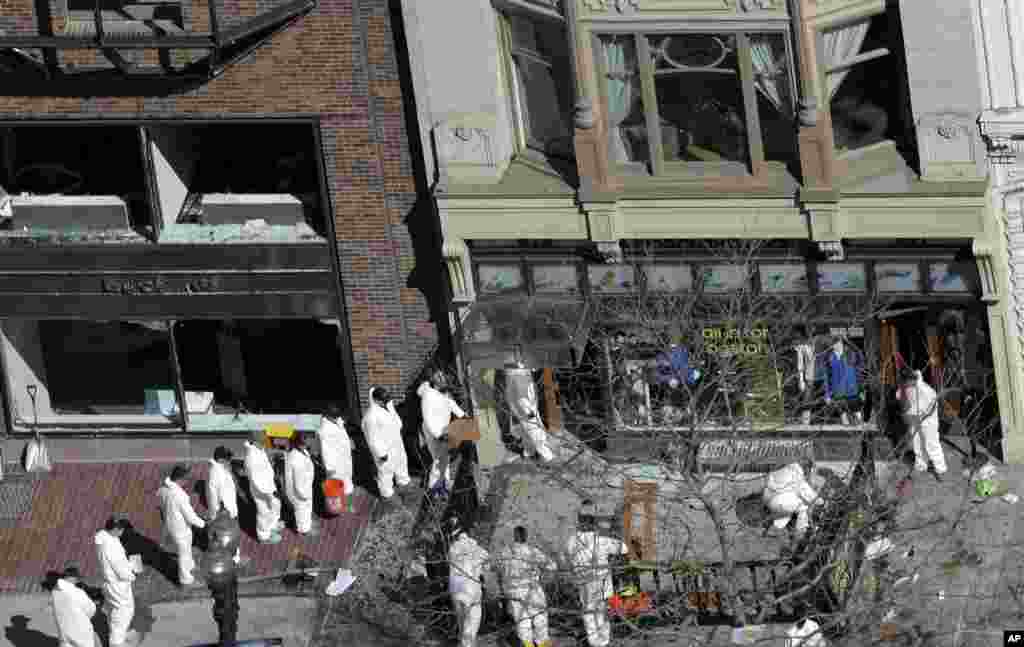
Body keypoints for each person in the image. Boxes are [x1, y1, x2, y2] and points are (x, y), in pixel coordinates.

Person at [565, 503, 628, 647]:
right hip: (602, 584)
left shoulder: (571, 541)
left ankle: (594, 642)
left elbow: (568, 556)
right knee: (602, 613)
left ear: (580, 523)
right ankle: (603, 642)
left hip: (584, 584)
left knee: (589, 613)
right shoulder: (601, 541)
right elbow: (624, 549)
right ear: (593, 524)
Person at [498, 526, 556, 647]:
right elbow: (552, 566)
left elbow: (498, 570)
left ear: (514, 536)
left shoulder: (505, 552)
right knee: (540, 618)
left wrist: (504, 588)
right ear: (525, 536)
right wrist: (542, 574)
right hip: (532, 589)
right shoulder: (532, 551)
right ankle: (542, 644)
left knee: (522, 622)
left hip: (514, 592)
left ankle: (528, 645)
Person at [157, 465, 207, 587]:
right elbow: (191, 517)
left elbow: (162, 508)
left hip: (171, 524)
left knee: (186, 548)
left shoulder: (163, 489)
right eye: (187, 479)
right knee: (184, 553)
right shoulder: (180, 495)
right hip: (180, 528)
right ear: (181, 479)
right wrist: (204, 524)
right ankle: (186, 580)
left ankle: (190, 567)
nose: (187, 482)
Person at [94, 518, 139, 646]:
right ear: (116, 529)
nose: (123, 532)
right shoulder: (111, 545)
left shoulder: (104, 539)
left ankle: (118, 634)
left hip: (110, 582)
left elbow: (116, 564)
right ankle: (116, 642)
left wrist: (128, 564)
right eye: (122, 529)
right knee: (123, 613)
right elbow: (120, 569)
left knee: (114, 609)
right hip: (118, 584)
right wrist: (133, 574)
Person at [447, 517, 491, 647]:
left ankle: (462, 643)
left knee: (462, 624)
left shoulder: (452, 549)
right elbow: (488, 565)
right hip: (471, 591)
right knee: (471, 626)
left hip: (455, 589)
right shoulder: (477, 549)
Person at [897, 367, 947, 481]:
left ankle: (940, 467)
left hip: (928, 422)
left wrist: (921, 416)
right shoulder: (906, 388)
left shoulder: (926, 390)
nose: (906, 384)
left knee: (932, 443)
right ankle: (921, 464)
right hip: (914, 420)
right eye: (904, 382)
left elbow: (931, 407)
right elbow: (900, 396)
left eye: (907, 382)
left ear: (912, 379)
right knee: (917, 443)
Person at [418, 378, 467, 493]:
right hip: (433, 433)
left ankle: (444, 482)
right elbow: (428, 418)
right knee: (439, 459)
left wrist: (466, 418)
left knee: (444, 457)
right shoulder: (428, 396)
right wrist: (438, 435)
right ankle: (434, 487)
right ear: (435, 384)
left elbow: (453, 407)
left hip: (443, 431)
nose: (443, 380)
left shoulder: (443, 396)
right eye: (440, 379)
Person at [362, 387, 410, 500]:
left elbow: (398, 424)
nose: (387, 402)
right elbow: (372, 438)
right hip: (385, 450)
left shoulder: (388, 408)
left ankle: (403, 484)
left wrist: (392, 409)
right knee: (385, 472)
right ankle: (387, 495)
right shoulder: (370, 416)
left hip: (396, 445)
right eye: (385, 400)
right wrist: (381, 453)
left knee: (401, 464)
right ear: (376, 400)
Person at [205, 446, 246, 565]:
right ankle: (233, 560)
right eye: (228, 459)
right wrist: (228, 513)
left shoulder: (218, 469)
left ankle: (227, 557)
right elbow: (220, 496)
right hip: (225, 513)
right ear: (221, 460)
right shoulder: (217, 473)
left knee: (222, 537)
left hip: (223, 512)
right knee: (230, 536)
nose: (230, 461)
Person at [243, 430, 284, 544]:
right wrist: (270, 493)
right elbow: (257, 481)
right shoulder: (251, 457)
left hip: (269, 486)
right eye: (263, 441)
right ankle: (264, 536)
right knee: (264, 512)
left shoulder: (259, 449)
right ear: (255, 441)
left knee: (274, 506)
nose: (265, 443)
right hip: (262, 492)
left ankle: (272, 525)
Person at [763, 459, 823, 536]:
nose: (808, 473)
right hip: (778, 501)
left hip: (768, 499)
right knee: (803, 506)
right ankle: (800, 532)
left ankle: (774, 529)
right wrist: (821, 501)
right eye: (809, 470)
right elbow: (809, 495)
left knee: (790, 508)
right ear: (807, 467)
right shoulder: (797, 474)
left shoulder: (786, 468)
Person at [50, 564, 99, 647]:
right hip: (80, 631)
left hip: (64, 630)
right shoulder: (77, 592)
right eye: (77, 579)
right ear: (72, 578)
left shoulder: (54, 592)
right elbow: (90, 609)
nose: (77, 581)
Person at [285, 433, 317, 535]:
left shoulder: (300, 451)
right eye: (305, 441)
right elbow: (298, 484)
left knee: (304, 509)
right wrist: (305, 494)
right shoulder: (296, 459)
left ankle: (306, 525)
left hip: (304, 486)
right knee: (302, 511)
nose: (307, 442)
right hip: (300, 491)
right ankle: (304, 531)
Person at [318, 404, 354, 496]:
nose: (336, 418)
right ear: (327, 415)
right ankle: (337, 507)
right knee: (336, 485)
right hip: (334, 463)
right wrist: (329, 467)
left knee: (346, 481)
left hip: (344, 459)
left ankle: (347, 501)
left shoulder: (337, 422)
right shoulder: (324, 429)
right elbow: (325, 450)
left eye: (337, 416)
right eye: (334, 416)